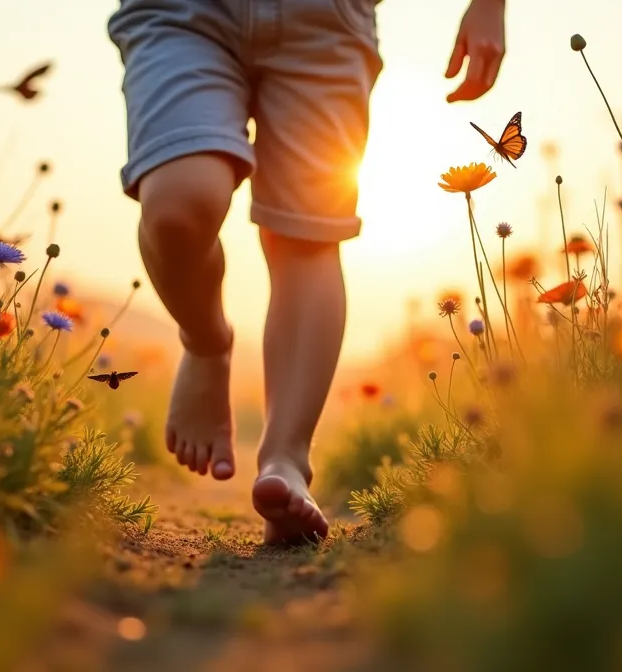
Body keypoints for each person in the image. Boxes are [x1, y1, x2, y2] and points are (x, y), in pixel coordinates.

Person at [107, 0, 507, 544]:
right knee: (178, 207)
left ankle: (287, 457)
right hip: (183, 12)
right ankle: (205, 342)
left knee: (309, 234)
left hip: (326, 19)